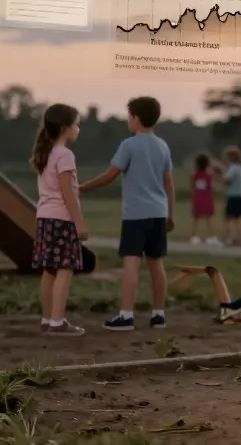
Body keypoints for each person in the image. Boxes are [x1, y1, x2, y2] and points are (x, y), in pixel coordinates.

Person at [79, 96, 176, 331]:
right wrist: (171, 214)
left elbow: (110, 175)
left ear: (136, 118)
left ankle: (126, 315)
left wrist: (82, 187)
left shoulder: (129, 145)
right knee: (156, 263)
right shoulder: (162, 145)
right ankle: (159, 314)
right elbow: (169, 184)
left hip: (135, 215)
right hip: (158, 213)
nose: (127, 120)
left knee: (131, 263)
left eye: (129, 116)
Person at [30, 103, 89, 337]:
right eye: (76, 124)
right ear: (65, 128)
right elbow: (66, 193)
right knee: (66, 268)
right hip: (62, 220)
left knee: (50, 270)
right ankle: (57, 322)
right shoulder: (65, 155)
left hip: (44, 218)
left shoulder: (46, 153)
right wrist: (80, 223)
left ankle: (47, 319)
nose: (77, 129)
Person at [218, 146, 241, 246]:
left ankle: (229, 238)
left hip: (233, 196)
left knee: (229, 217)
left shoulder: (233, 168)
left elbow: (226, 180)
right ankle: (240, 238)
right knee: (238, 218)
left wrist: (220, 173)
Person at [189, 153, 220, 246]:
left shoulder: (195, 175)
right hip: (207, 199)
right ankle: (212, 236)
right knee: (209, 218)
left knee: (196, 218)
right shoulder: (209, 175)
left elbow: (192, 187)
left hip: (197, 198)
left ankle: (194, 236)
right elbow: (211, 187)